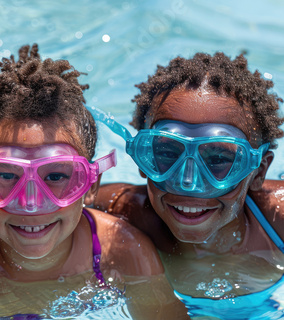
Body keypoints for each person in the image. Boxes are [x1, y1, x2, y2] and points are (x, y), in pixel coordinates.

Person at [0, 44, 189, 319]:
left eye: (56, 176)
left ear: (90, 186)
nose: (32, 203)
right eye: (7, 175)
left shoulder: (123, 253)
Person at [92, 52, 284, 319]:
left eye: (218, 159)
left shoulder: (277, 220)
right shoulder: (123, 212)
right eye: (168, 154)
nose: (188, 182)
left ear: (259, 170)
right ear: (141, 158)